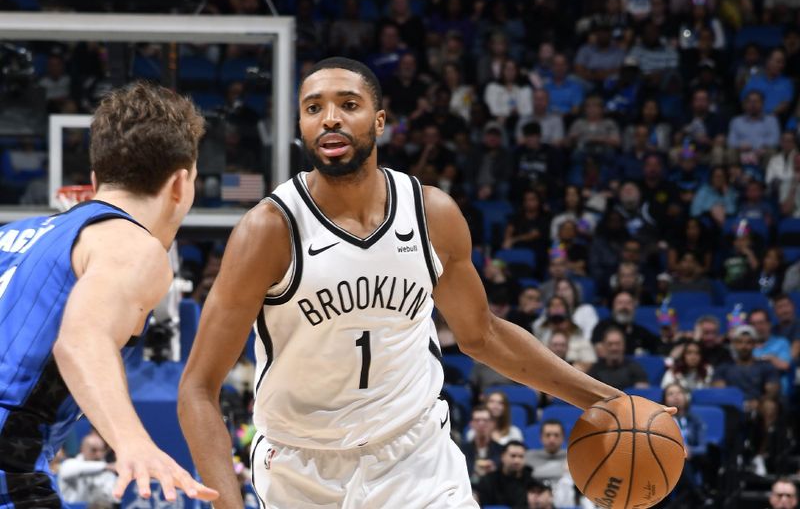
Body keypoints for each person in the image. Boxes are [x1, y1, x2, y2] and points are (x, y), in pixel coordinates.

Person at [177, 57, 630, 508]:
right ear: (300, 124)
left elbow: (482, 334)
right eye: (313, 108)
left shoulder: (432, 214)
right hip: (303, 468)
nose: (330, 118)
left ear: (379, 121)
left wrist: (606, 399)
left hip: (415, 454)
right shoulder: (269, 231)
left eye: (347, 104)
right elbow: (198, 387)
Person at [0, 82, 216, 507]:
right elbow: (81, 340)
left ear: (95, 180)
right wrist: (133, 441)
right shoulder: (136, 246)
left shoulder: (12, 234)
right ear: (180, 184)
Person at [57, 431, 117, 507]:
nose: (99, 454)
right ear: (82, 449)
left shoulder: (106, 472)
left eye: (101, 450)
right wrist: (105, 466)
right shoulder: (71, 464)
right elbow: (67, 471)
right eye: (94, 450)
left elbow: (113, 497)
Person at [461, 405, 503, 483]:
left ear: (492, 424)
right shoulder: (462, 451)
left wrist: (495, 470)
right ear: (471, 424)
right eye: (477, 420)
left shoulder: (502, 450)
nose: (481, 423)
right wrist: (474, 468)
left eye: (485, 420)